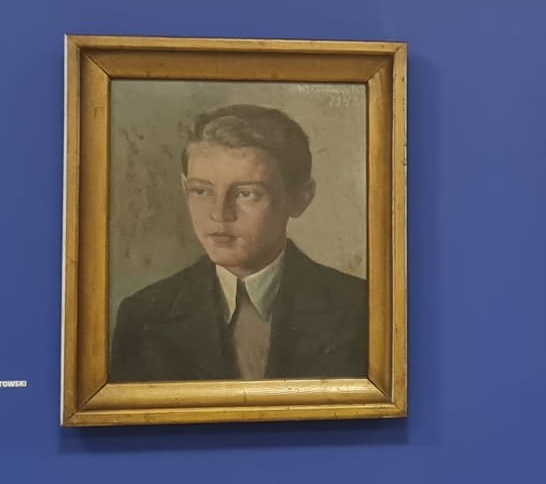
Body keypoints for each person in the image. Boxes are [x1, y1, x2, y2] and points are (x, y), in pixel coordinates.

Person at [109, 104, 368, 383]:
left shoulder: (361, 308)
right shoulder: (143, 316)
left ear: (300, 198)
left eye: (246, 193)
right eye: (201, 191)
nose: (219, 214)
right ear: (185, 189)